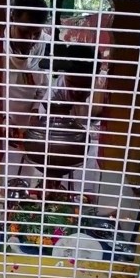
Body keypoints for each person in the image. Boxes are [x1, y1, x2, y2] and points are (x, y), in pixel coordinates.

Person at [37, 44, 106, 204]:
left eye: (83, 86)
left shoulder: (105, 89)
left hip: (94, 153)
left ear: (95, 77)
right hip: (65, 151)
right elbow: (51, 141)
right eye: (71, 83)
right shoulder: (54, 93)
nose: (76, 91)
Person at [0, 0, 50, 187]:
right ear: (12, 18)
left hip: (28, 123)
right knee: (1, 177)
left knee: (25, 180)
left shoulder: (45, 44)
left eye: (36, 33)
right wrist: (3, 119)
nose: (30, 39)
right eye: (25, 31)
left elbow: (43, 86)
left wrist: (35, 114)